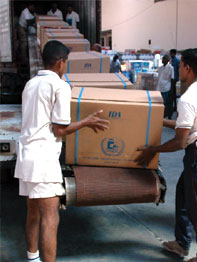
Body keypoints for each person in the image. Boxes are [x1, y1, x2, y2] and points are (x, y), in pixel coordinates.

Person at [14, 40, 110, 262]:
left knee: (33, 212)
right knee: (50, 217)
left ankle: (32, 257)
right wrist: (87, 121)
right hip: (44, 159)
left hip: (27, 156)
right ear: (60, 62)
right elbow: (60, 129)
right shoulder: (59, 86)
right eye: (66, 62)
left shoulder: (30, 84)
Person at [136, 48, 197, 262]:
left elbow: (180, 141)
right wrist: (160, 120)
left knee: (193, 205)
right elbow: (187, 126)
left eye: (180, 66)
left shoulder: (188, 98)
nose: (179, 69)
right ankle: (181, 243)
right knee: (182, 195)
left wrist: (152, 150)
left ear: (187, 68)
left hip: (195, 156)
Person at [157, 54, 174, 119]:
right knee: (162, 103)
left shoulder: (170, 68)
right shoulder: (160, 68)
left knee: (167, 103)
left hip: (167, 88)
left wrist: (171, 90)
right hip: (160, 88)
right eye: (162, 58)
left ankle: (169, 115)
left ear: (168, 60)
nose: (162, 60)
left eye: (164, 58)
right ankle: (163, 115)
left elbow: (172, 79)